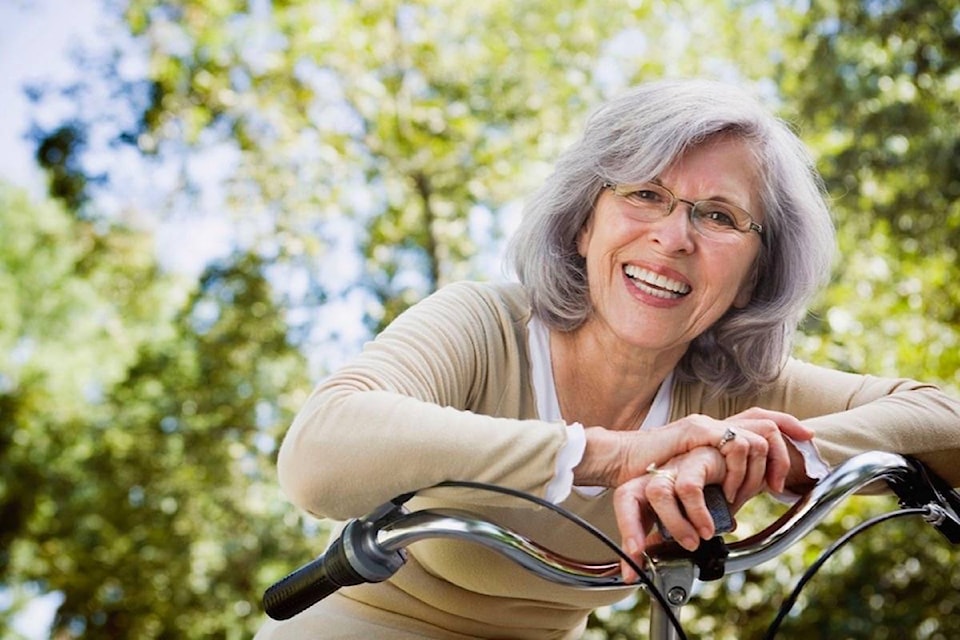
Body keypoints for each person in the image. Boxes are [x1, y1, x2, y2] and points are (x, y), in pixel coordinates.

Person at [255, 79, 960, 639]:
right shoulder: (485, 325)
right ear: (586, 221)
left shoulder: (730, 389)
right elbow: (318, 455)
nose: (674, 237)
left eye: (718, 215)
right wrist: (611, 454)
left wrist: (757, 453)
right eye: (646, 194)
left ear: (756, 268)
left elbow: (945, 418)